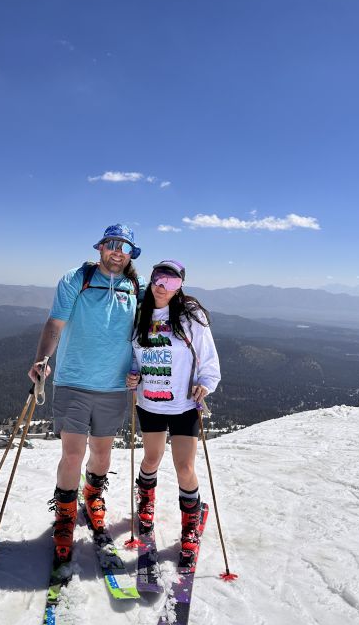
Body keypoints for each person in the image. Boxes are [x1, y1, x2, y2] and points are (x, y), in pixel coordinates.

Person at [28, 224, 144, 565]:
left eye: (124, 247)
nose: (117, 251)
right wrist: (43, 358)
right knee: (72, 452)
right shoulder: (76, 278)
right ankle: (65, 515)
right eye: (112, 244)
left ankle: (92, 497)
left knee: (102, 455)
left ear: (130, 254)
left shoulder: (135, 287)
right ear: (101, 248)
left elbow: (141, 334)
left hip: (114, 385)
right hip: (74, 381)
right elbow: (54, 324)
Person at [125, 259, 220, 565]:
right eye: (157, 280)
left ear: (181, 286)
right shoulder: (140, 314)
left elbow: (207, 356)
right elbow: (136, 355)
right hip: (150, 401)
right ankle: (146, 505)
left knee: (184, 468)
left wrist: (206, 384)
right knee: (151, 458)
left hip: (183, 404)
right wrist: (133, 374)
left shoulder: (191, 316)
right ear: (150, 280)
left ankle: (190, 529)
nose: (162, 287)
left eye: (172, 282)